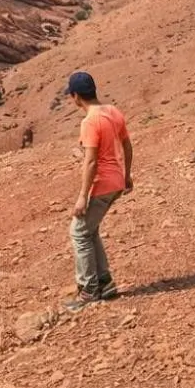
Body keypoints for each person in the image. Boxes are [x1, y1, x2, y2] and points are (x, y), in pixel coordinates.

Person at [62, 70, 133, 312]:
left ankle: (88, 290)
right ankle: (105, 282)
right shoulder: (113, 111)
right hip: (116, 182)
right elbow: (127, 144)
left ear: (75, 96)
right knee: (90, 231)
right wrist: (126, 175)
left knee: (79, 232)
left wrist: (82, 196)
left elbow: (91, 162)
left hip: (101, 185)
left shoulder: (90, 121)